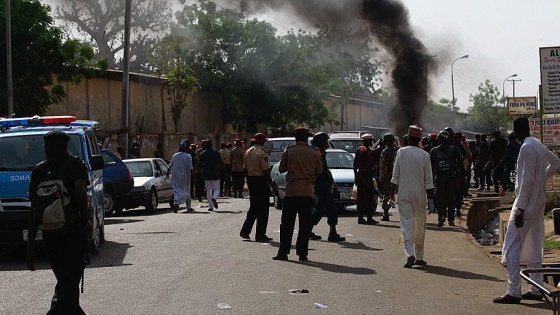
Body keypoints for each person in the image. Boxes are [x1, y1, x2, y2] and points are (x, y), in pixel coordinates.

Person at [493, 117, 560, 304]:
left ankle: (514, 291)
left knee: (512, 243)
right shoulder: (536, 144)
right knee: (534, 242)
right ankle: (536, 288)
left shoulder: (526, 148)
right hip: (538, 202)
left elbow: (527, 182)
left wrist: (520, 210)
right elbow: (555, 163)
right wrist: (542, 180)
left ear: (515, 130)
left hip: (526, 203)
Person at [26, 130, 91, 314]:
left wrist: (30, 248)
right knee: (68, 284)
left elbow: (33, 209)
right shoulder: (76, 165)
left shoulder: (39, 170)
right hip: (73, 232)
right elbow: (80, 192)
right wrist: (85, 218)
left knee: (65, 283)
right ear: (65, 146)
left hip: (50, 235)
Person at [273, 128, 322, 262]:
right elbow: (319, 171)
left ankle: (283, 253)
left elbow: (282, 169)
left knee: (287, 224)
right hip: (307, 192)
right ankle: (302, 254)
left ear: (296, 138)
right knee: (305, 225)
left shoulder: (289, 151)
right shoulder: (315, 153)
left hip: (292, 192)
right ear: (307, 138)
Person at [390, 125, 434, 268]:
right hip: (419, 195)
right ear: (420, 140)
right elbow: (429, 180)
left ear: (408, 138)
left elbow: (395, 176)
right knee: (420, 224)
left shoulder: (401, 152)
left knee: (406, 225)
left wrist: (392, 194)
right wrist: (431, 200)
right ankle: (419, 257)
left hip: (403, 193)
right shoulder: (425, 155)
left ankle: (410, 255)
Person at [309, 132, 345, 242]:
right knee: (331, 208)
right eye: (324, 141)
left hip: (323, 183)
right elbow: (320, 171)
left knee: (320, 208)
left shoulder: (321, 152)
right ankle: (332, 233)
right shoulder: (318, 153)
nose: (326, 143)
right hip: (321, 183)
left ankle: (307, 230)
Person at [240, 133, 276, 242]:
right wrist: (272, 185)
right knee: (263, 209)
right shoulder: (262, 153)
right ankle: (260, 234)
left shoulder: (247, 151)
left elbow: (245, 169)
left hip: (251, 180)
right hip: (260, 181)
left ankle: (245, 231)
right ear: (262, 141)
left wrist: (249, 182)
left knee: (254, 207)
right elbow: (266, 171)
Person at [430, 131, 463, 227]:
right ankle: (451, 219)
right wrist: (460, 175)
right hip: (451, 177)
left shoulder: (434, 151)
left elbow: (431, 167)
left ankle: (441, 215)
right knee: (450, 198)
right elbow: (460, 162)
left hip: (439, 177)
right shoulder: (454, 149)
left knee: (440, 198)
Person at [353, 133, 379, 225]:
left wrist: (356, 176)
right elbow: (369, 165)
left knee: (360, 198)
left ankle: (360, 217)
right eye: (371, 140)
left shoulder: (358, 149)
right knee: (369, 198)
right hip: (367, 175)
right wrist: (369, 178)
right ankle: (369, 218)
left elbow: (355, 165)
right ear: (368, 141)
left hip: (360, 175)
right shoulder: (367, 150)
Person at [167, 139, 194, 213]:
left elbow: (170, 166)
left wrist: (167, 174)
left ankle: (178, 203)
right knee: (186, 190)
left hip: (175, 177)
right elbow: (190, 167)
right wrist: (193, 176)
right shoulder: (188, 156)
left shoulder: (174, 156)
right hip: (185, 177)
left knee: (177, 191)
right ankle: (182, 205)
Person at [199, 139, 224, 211]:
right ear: (212, 145)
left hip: (206, 174)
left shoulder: (202, 154)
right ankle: (214, 197)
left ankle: (210, 207)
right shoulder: (216, 153)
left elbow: (200, 165)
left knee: (208, 190)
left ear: (205, 145)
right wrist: (224, 170)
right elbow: (220, 163)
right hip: (215, 173)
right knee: (217, 189)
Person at [380, 133, 400, 221]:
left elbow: (383, 166)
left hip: (389, 177)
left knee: (387, 195)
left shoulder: (385, 152)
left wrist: (382, 179)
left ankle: (386, 213)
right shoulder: (399, 150)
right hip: (400, 176)